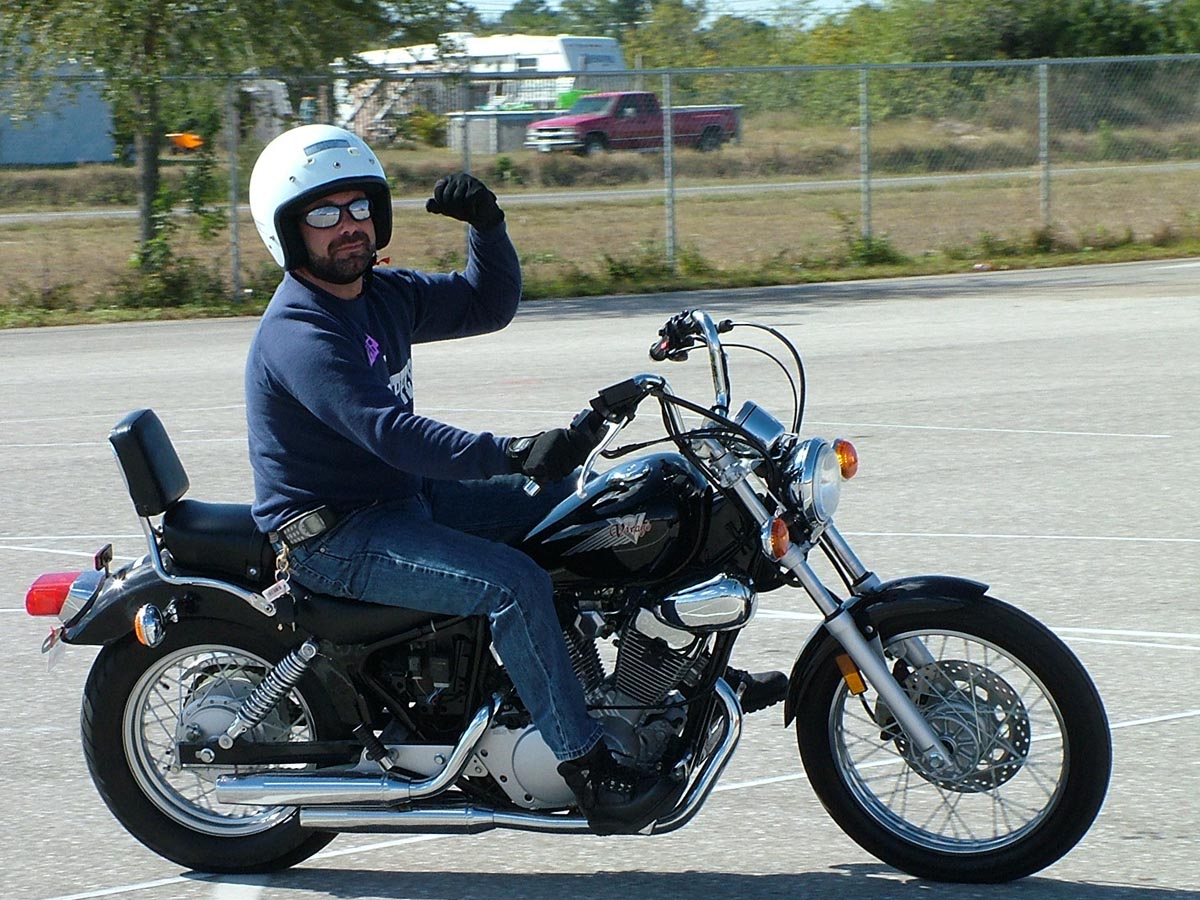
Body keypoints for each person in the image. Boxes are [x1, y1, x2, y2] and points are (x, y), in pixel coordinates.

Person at [243, 124, 784, 835]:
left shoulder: (381, 293)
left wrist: (488, 227)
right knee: (513, 584)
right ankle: (589, 768)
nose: (348, 225)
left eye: (358, 206)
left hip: (403, 498)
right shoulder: (300, 331)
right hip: (337, 535)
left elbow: (485, 303)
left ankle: (668, 674)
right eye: (323, 212)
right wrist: (513, 452)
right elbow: (390, 432)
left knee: (585, 503)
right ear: (287, 230)